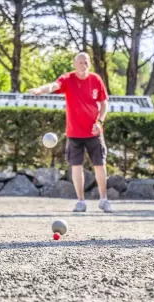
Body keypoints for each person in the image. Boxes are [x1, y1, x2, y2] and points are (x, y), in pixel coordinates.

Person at [29, 52, 112, 213]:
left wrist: (100, 121)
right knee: (76, 166)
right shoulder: (68, 79)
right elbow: (54, 86)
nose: (83, 65)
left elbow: (104, 103)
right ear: (75, 64)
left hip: (94, 131)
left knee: (100, 164)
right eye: (80, 62)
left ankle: (104, 200)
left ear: (89, 64)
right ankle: (80, 201)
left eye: (86, 62)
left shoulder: (96, 79)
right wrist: (40, 90)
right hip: (74, 132)